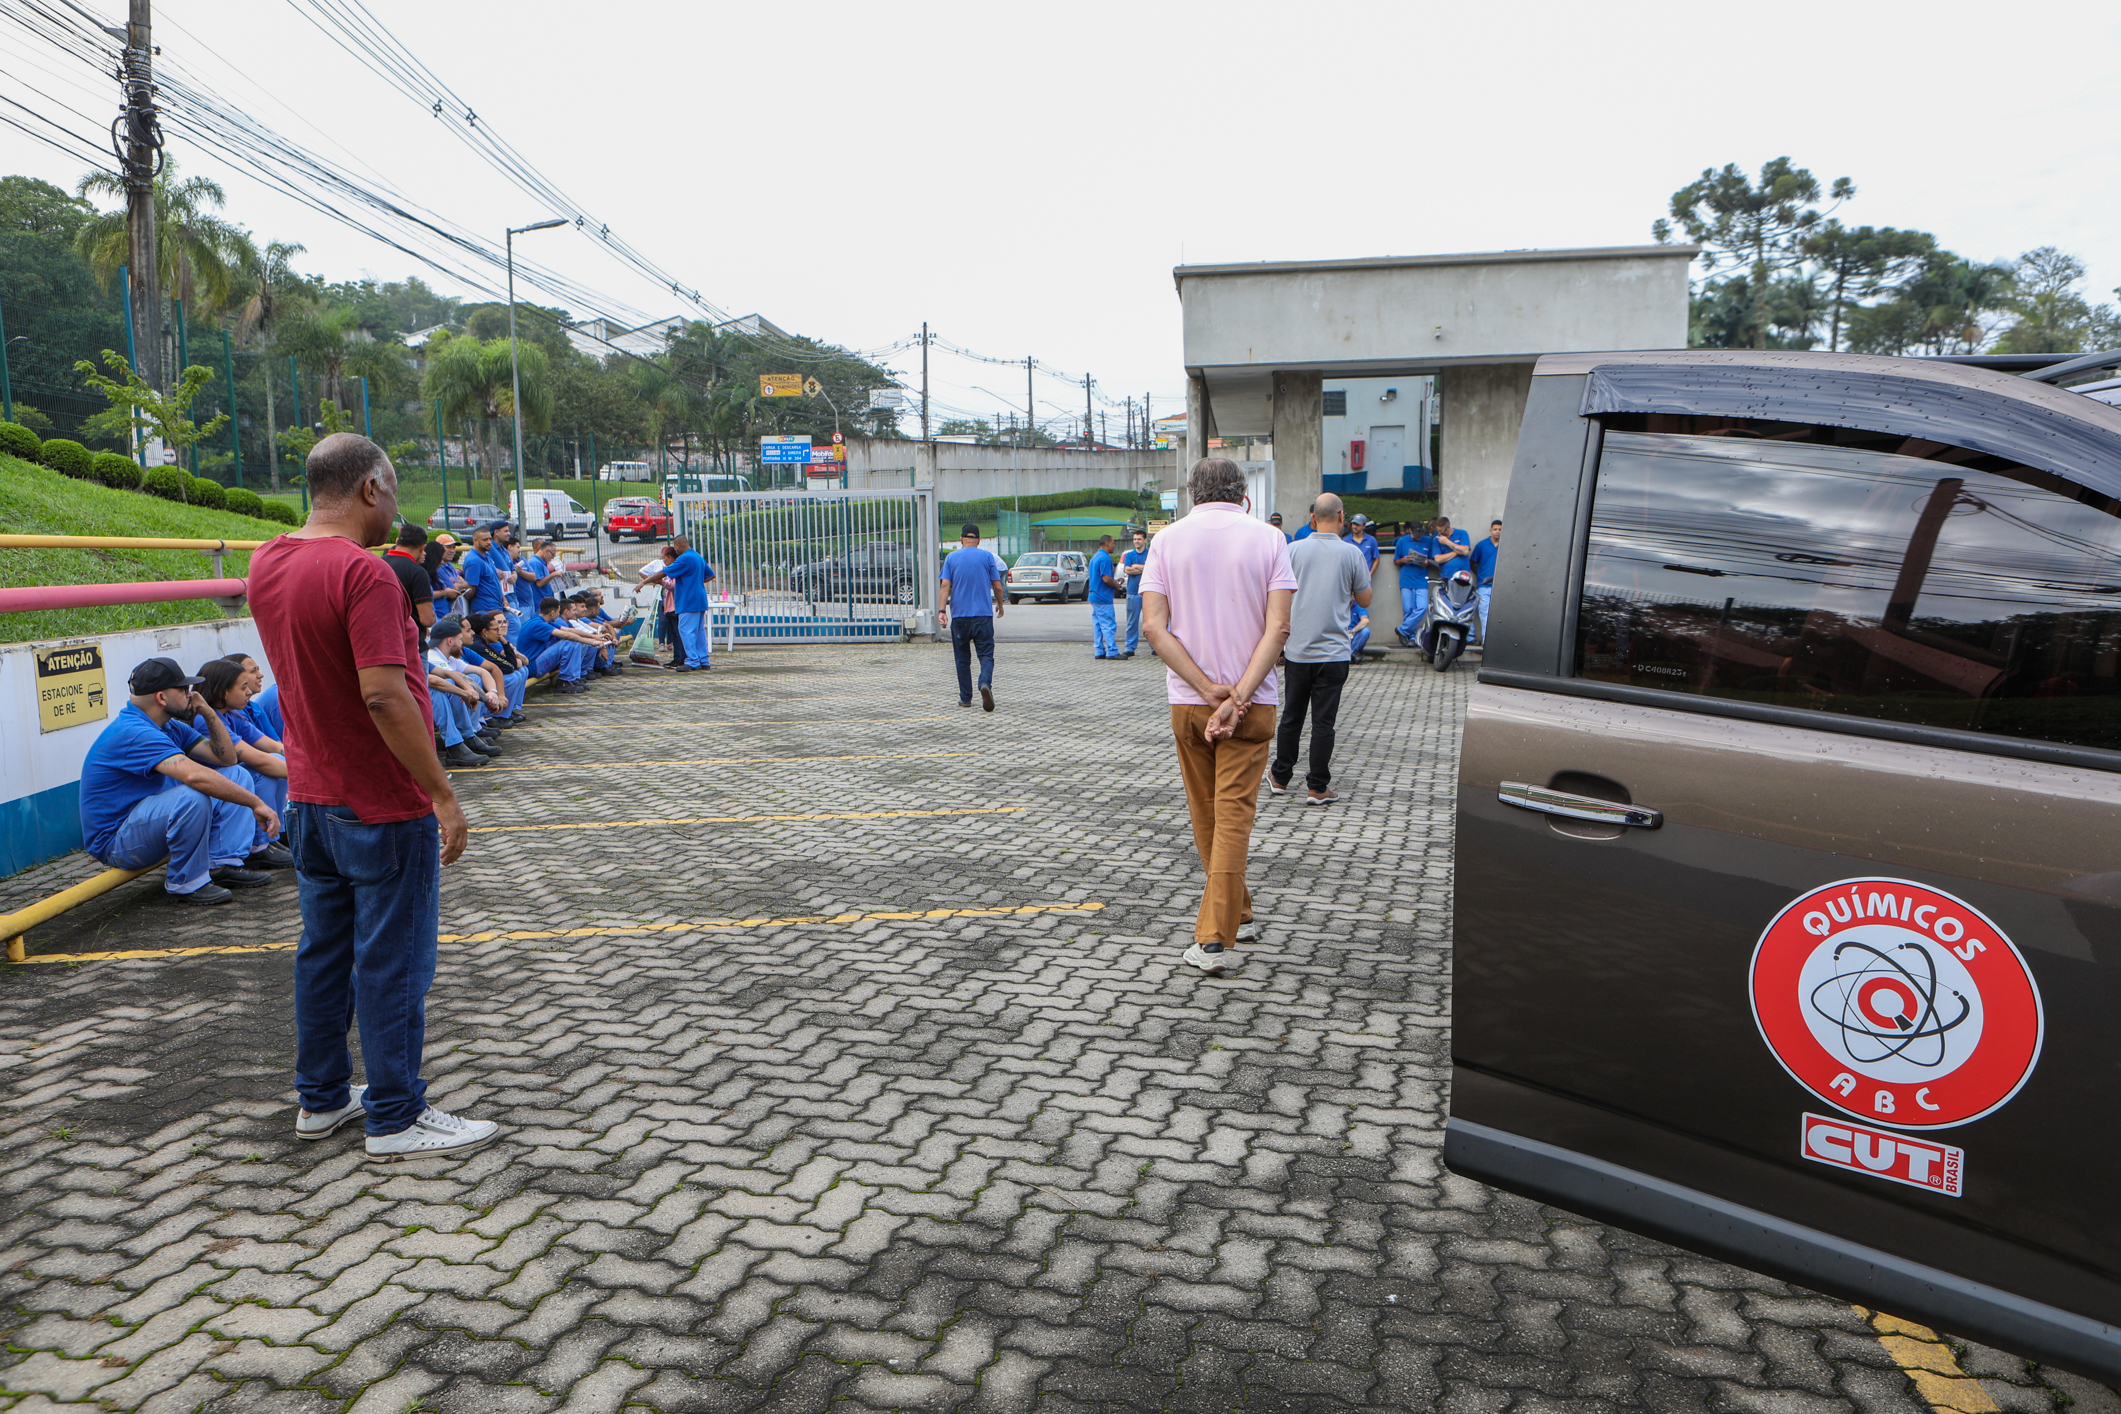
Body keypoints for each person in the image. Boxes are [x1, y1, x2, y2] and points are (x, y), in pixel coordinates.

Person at [247, 431, 497, 1160]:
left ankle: (321, 1101)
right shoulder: (367, 575)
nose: (396, 505)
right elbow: (386, 696)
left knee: (322, 955)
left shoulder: (269, 559)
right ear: (368, 489)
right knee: (393, 962)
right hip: (379, 805)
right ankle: (396, 1115)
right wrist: (442, 794)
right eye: (392, 489)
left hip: (311, 800)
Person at [1140, 457, 1296, 977]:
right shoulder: (1269, 540)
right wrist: (1238, 698)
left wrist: (1209, 690)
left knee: (1208, 815)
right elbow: (1277, 630)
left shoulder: (1165, 541)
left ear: (1192, 493)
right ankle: (1218, 935)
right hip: (1253, 704)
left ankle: (1226, 923)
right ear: (1243, 495)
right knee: (1232, 817)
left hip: (1189, 700)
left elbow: (1155, 628)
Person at [78, 657, 284, 906]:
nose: (191, 694)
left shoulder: (170, 726)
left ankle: (220, 865)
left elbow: (227, 759)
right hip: (117, 842)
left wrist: (208, 712)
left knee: (236, 775)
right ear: (161, 698)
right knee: (193, 795)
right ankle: (185, 883)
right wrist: (255, 803)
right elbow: (194, 776)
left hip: (148, 825)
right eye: (183, 689)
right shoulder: (135, 732)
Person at [1270, 494, 1372, 806]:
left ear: (1313, 518)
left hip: (1298, 650)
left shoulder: (1292, 550)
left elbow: (1276, 595)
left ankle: (1280, 777)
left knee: (1292, 716)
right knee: (1323, 723)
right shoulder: (1352, 553)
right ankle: (1317, 787)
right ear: (1342, 518)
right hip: (1335, 654)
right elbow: (1365, 599)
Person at [197, 657, 292, 826]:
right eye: (243, 687)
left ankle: (280, 830)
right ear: (223, 692)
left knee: (281, 760)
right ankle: (260, 842)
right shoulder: (206, 720)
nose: (249, 692)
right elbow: (260, 760)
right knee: (264, 771)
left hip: (227, 788)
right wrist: (308, 774)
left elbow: (275, 746)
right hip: (211, 793)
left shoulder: (233, 715)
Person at [938, 523, 1005, 710]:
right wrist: (1000, 605)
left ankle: (966, 698)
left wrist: (942, 611)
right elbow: (998, 586)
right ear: (978, 540)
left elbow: (945, 586)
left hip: (960, 616)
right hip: (983, 615)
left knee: (962, 658)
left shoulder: (951, 558)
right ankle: (984, 683)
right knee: (985, 655)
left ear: (961, 539)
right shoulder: (987, 557)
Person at [424, 620, 500, 767]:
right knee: (445, 687)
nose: (462, 643)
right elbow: (433, 681)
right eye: (459, 639)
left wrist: (491, 694)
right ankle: (457, 744)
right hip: (411, 702)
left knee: (472, 679)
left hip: (419, 700)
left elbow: (479, 671)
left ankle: (468, 735)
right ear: (450, 640)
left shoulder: (448, 657)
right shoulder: (430, 655)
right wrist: (465, 692)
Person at [640, 535, 714, 671]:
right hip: (699, 598)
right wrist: (695, 582)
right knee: (699, 631)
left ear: (678, 546)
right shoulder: (698, 557)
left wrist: (644, 582)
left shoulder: (684, 558)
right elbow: (711, 575)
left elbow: (664, 572)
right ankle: (703, 660)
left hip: (688, 600)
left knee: (686, 631)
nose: (675, 549)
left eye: (675, 546)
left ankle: (692, 661)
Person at [516, 595, 602, 693]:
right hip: (532, 666)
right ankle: (564, 681)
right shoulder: (537, 624)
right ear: (552, 613)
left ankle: (572, 679)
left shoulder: (543, 620)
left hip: (538, 662)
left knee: (575, 642)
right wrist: (592, 642)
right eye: (558, 611)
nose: (559, 615)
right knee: (569, 642)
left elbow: (569, 630)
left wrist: (594, 637)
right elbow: (566, 635)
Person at [464, 610, 530, 720]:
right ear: (485, 631)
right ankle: (492, 715)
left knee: (520, 672)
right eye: (496, 629)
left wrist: (505, 643)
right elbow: (509, 667)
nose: (499, 632)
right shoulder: (479, 646)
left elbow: (510, 665)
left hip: (486, 679)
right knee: (512, 677)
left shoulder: (485, 643)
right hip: (478, 683)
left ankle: (508, 710)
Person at [383, 524, 436, 631]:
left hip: (383, 632)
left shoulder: (377, 563)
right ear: (422, 548)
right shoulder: (417, 572)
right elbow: (427, 620)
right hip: (411, 639)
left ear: (397, 541)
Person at [1392, 521, 1435, 646]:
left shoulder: (1428, 541)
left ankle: (1402, 630)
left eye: (1420, 533)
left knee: (1422, 607)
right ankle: (1410, 638)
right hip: (1406, 578)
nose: (1418, 536)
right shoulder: (1402, 541)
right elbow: (1395, 561)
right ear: (1410, 530)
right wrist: (1403, 560)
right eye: (1416, 533)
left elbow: (1432, 559)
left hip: (1422, 578)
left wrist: (1425, 562)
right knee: (1408, 609)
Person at [1087, 533, 1120, 660]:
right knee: (1108, 624)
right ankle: (1112, 651)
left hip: (1094, 595)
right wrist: (1116, 585)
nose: (1114, 545)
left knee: (1098, 625)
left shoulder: (1095, 557)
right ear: (1107, 543)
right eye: (1113, 542)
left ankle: (1099, 650)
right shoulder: (1105, 558)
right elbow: (1106, 578)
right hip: (1103, 597)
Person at [1469, 519, 1501, 642]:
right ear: (1491, 530)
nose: (1497, 532)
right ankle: (1486, 640)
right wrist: (1481, 575)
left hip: (1501, 586)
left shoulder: (1506, 544)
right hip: (1484, 586)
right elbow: (1473, 562)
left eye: (1500, 529)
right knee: (1484, 613)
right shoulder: (1482, 545)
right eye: (1495, 529)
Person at [460, 527, 504, 616]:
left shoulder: (486, 555)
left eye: (490, 539)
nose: (488, 542)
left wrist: (504, 600)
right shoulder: (474, 561)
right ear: (475, 540)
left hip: (496, 606)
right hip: (485, 609)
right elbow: (470, 591)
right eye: (485, 540)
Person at [1120, 529, 1149, 658]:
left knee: (1150, 621)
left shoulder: (1150, 554)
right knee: (1132, 621)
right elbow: (1127, 570)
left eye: (1139, 539)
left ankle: (1155, 647)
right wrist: (1142, 567)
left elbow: (1152, 568)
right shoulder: (1129, 555)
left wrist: (1136, 566)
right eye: (1135, 539)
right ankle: (1130, 647)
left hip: (1148, 592)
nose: (1136, 541)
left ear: (1145, 540)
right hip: (1133, 592)